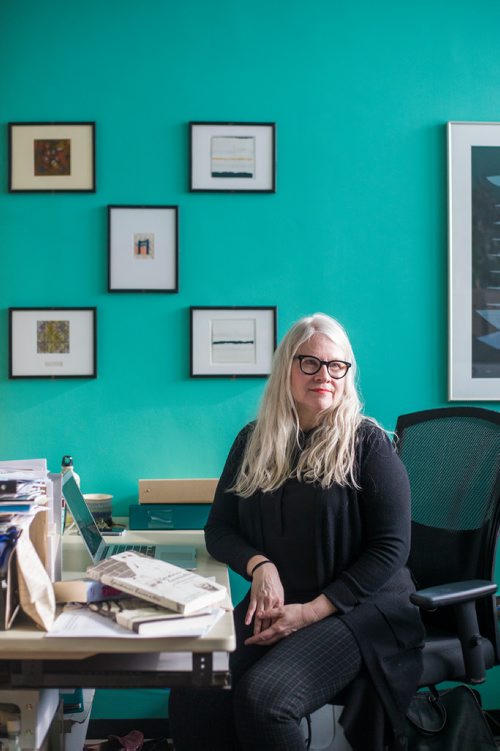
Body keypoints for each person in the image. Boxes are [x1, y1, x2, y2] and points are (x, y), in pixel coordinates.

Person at [169, 312, 424, 751]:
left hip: (359, 611)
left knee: (263, 699)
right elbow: (220, 528)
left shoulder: (368, 444)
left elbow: (391, 549)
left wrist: (310, 612)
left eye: (336, 365)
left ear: (347, 374)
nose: (324, 375)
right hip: (280, 603)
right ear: (287, 366)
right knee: (196, 688)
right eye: (310, 362)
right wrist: (259, 564)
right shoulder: (254, 441)